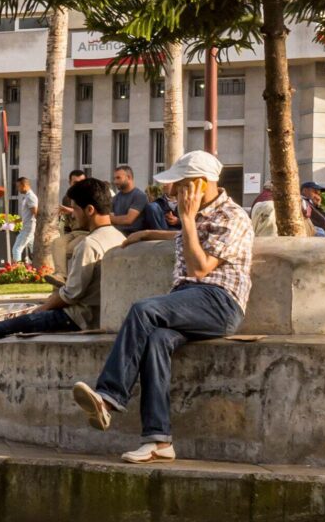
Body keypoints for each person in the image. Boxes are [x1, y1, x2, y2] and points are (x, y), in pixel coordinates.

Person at [70, 150, 253, 464]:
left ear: (199, 183)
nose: (173, 192)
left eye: (180, 185)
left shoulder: (232, 217)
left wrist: (185, 217)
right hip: (190, 300)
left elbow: (199, 267)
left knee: (144, 310)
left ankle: (109, 397)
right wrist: (150, 233)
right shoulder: (201, 215)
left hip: (219, 302)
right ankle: (159, 440)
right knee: (156, 341)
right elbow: (188, 239)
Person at [0, 178, 124, 428]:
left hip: (76, 317)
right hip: (97, 314)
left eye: (76, 209)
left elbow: (70, 294)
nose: (73, 216)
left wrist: (42, 308)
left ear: (90, 210)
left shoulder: (90, 244)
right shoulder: (118, 237)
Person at [109, 165, 152, 235]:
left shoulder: (139, 196)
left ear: (129, 177)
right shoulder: (115, 198)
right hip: (117, 234)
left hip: (134, 237)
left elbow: (128, 219)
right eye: (114, 178)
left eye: (118, 178)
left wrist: (110, 218)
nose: (115, 182)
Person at [11, 177, 39, 259]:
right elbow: (27, 214)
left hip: (28, 227)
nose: (17, 189)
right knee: (34, 250)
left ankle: (17, 270)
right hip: (28, 226)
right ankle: (37, 268)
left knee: (16, 249)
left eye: (18, 186)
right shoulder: (27, 196)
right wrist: (15, 221)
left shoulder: (30, 197)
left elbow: (35, 213)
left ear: (24, 185)